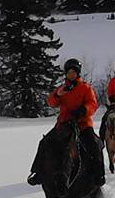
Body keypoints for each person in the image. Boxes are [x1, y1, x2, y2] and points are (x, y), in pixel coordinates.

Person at [27, 58, 105, 187]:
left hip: (83, 124)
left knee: (95, 145)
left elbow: (93, 104)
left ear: (78, 73)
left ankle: (99, 174)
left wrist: (83, 110)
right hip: (64, 124)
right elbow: (51, 102)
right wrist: (57, 94)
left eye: (73, 72)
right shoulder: (62, 89)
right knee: (45, 142)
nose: (71, 75)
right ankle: (38, 172)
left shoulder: (86, 88)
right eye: (69, 72)